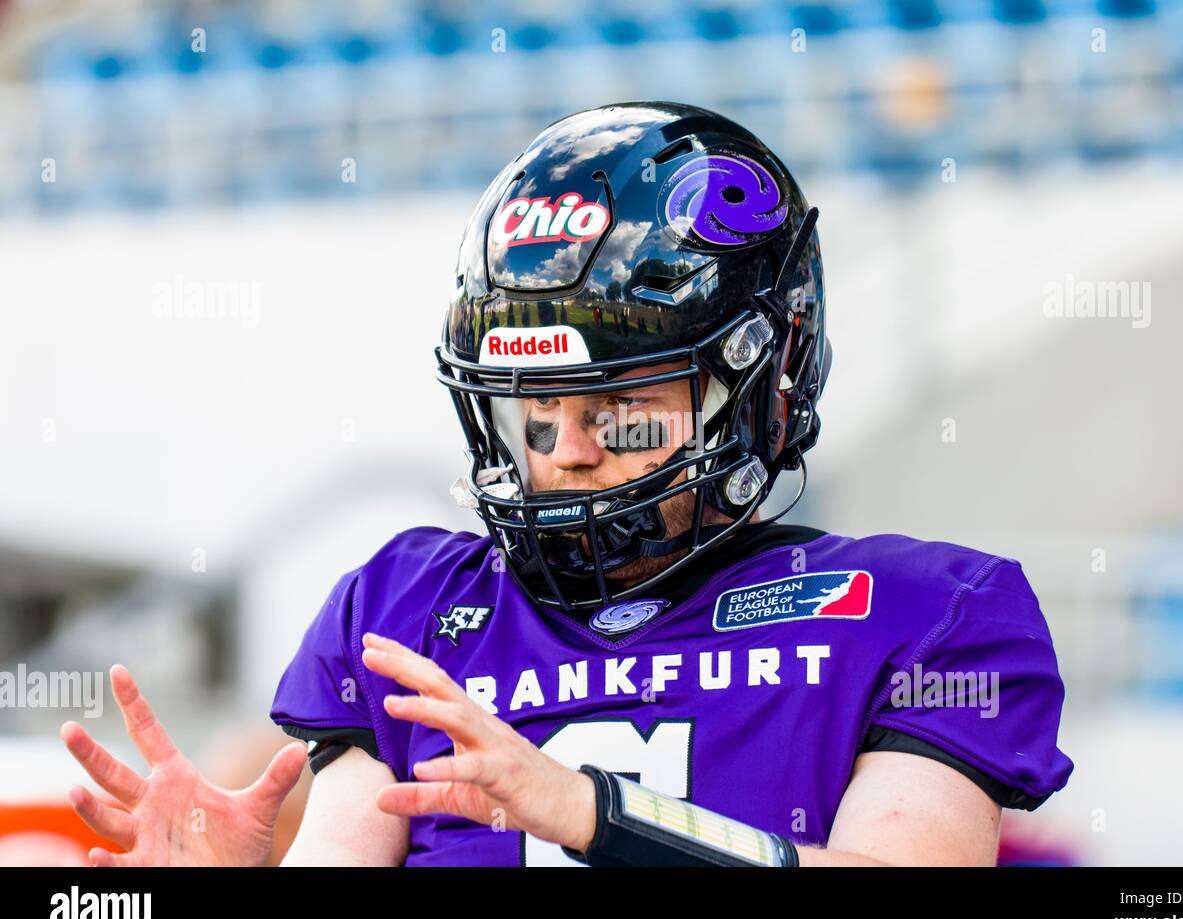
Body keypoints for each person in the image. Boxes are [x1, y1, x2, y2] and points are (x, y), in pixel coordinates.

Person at [61, 102, 1072, 866]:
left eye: (623, 403)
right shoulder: (410, 610)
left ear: (762, 377)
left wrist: (589, 810)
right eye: (537, 412)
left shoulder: (929, 612)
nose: (572, 450)